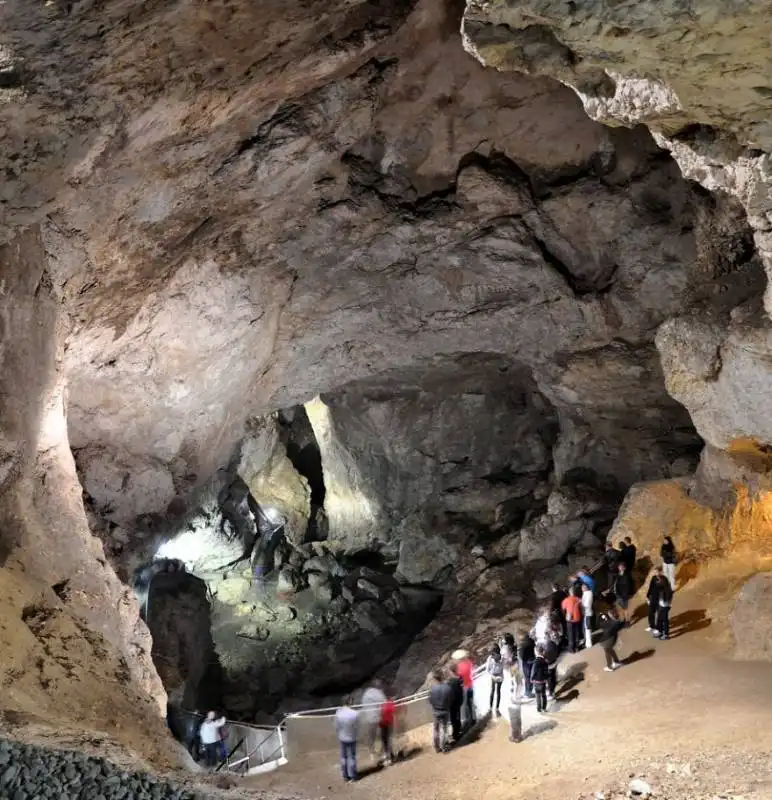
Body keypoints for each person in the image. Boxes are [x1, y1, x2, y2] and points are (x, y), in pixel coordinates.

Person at [334, 697, 359, 783]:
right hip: (352, 737)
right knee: (351, 757)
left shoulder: (338, 712)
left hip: (342, 737)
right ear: (350, 702)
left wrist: (339, 734)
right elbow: (356, 727)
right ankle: (352, 776)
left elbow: (336, 726)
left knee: (343, 757)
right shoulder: (355, 713)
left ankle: (345, 775)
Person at [361, 680, 387, 758]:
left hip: (368, 718)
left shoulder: (367, 693)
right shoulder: (379, 693)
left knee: (371, 736)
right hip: (378, 718)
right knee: (382, 735)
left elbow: (363, 703)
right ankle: (383, 753)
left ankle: (371, 752)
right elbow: (384, 703)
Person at [429, 669, 453, 753]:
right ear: (442, 677)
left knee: (436, 729)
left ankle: (436, 747)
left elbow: (430, 700)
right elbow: (450, 699)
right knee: (444, 728)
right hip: (445, 711)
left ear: (435, 678)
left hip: (436, 711)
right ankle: (443, 747)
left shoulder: (432, 689)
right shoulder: (447, 688)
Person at [455, 651, 475, 728]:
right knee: (471, 702)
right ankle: (473, 718)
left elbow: (459, 676)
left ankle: (466, 720)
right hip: (471, 685)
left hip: (465, 687)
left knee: (465, 704)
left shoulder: (459, 667)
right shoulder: (469, 663)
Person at [561, 586, 583, 654]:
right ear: (575, 592)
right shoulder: (579, 599)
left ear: (569, 593)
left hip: (570, 619)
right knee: (577, 633)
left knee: (571, 635)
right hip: (578, 618)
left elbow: (563, 610)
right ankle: (577, 648)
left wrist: (565, 617)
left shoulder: (565, 600)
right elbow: (581, 608)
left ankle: (571, 649)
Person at [485, 645, 505, 715]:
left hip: (499, 675)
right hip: (492, 675)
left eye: (494, 654)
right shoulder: (490, 658)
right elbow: (487, 670)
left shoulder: (502, 658)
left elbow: (502, 670)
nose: (493, 656)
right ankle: (490, 707)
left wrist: (501, 677)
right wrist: (493, 676)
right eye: (492, 654)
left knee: (498, 691)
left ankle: (497, 707)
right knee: (492, 691)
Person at [447, 665, 464, 743]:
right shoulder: (458, 681)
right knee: (458, 718)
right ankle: (458, 732)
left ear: (451, 672)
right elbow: (461, 693)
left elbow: (449, 694)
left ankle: (455, 735)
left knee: (453, 719)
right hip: (457, 703)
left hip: (452, 704)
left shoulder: (450, 682)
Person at [507, 661, 523, 743]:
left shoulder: (515, 677)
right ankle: (518, 735)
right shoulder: (518, 675)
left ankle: (516, 737)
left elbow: (516, 687)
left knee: (514, 720)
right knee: (518, 719)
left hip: (514, 700)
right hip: (518, 700)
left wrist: (514, 698)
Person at [654, 572, 674, 640]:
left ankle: (666, 635)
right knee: (659, 619)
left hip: (665, 606)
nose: (658, 581)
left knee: (664, 621)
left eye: (659, 580)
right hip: (661, 605)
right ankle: (660, 632)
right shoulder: (661, 587)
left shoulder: (667, 589)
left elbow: (668, 599)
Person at [530, 646, 550, 713]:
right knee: (543, 695)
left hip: (536, 681)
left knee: (537, 695)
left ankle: (539, 708)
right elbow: (546, 671)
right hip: (543, 681)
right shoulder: (545, 661)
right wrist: (546, 678)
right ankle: (544, 708)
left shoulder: (535, 662)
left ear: (536, 652)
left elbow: (534, 671)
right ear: (542, 652)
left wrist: (531, 678)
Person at [518, 631, 536, 700]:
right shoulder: (532, 642)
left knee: (527, 677)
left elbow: (520, 655)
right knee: (532, 676)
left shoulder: (522, 644)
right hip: (532, 660)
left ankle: (527, 692)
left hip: (525, 662)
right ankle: (531, 690)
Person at [379, 693, 396, 766]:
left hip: (383, 725)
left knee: (386, 741)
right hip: (387, 725)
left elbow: (380, 714)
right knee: (388, 741)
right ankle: (390, 757)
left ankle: (389, 758)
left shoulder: (382, 705)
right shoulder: (390, 704)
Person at [646, 568, 661, 633]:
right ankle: (652, 626)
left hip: (659, 599)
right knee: (650, 613)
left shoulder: (663, 579)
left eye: (657, 572)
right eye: (655, 572)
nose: (656, 573)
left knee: (659, 614)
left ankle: (658, 628)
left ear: (660, 572)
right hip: (652, 598)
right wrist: (648, 596)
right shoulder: (653, 578)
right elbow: (650, 587)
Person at [581, 582, 594, 649]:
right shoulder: (586, 593)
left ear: (585, 588)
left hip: (587, 613)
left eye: (583, 587)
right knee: (587, 628)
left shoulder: (589, 593)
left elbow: (587, 604)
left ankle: (589, 644)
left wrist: (581, 605)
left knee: (587, 628)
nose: (582, 589)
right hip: (587, 613)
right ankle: (588, 642)